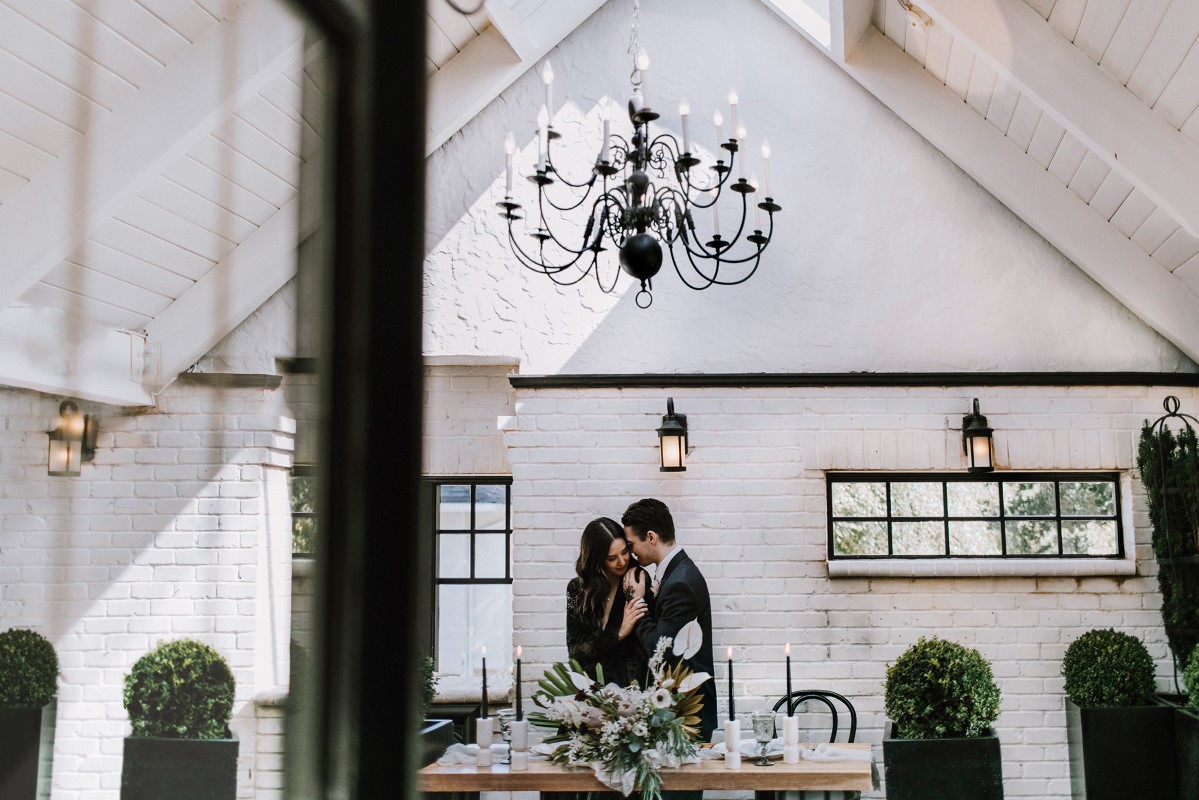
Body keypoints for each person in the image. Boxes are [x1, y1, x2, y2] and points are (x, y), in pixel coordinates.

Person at [623, 498, 717, 745]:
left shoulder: (680, 583)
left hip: (687, 712)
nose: (631, 552)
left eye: (632, 544)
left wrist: (637, 601)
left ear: (651, 537)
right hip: (679, 708)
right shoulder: (676, 573)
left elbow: (659, 649)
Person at [565, 517, 652, 687]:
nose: (622, 561)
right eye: (612, 558)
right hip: (588, 690)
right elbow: (575, 651)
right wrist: (618, 633)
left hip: (631, 693)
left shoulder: (638, 580)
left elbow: (644, 649)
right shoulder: (577, 589)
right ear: (596, 560)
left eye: (625, 552)